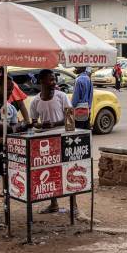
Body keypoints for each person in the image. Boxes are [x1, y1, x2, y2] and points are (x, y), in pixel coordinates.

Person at [30, 69, 83, 216]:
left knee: (69, 171)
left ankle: (74, 206)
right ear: (41, 81)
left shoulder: (61, 96)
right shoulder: (35, 101)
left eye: (54, 79)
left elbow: (70, 119)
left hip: (63, 140)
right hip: (46, 143)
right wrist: (41, 125)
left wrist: (54, 124)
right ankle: (53, 204)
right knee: (49, 173)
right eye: (50, 80)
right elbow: (34, 122)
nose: (54, 82)